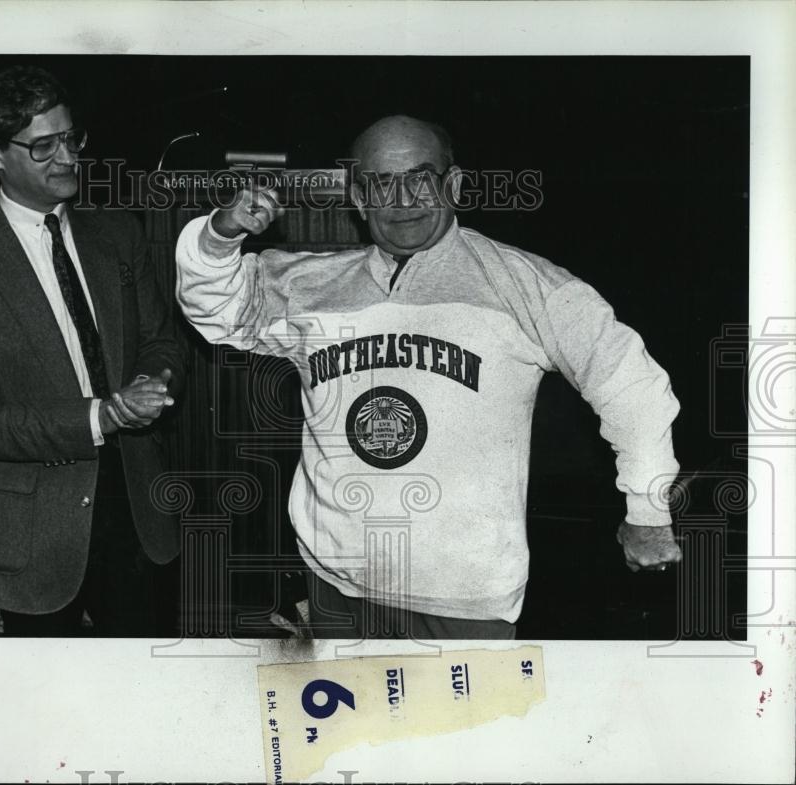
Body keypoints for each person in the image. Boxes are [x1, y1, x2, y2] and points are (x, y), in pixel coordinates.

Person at [176, 114, 682, 639]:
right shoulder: (309, 284)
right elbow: (217, 310)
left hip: (465, 599)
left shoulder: (526, 286)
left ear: (454, 185)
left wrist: (647, 508)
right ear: (357, 194)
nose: (401, 199)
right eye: (379, 183)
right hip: (336, 582)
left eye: (420, 178)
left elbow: (630, 384)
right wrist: (220, 235)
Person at [0, 65, 186, 636]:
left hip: (140, 520)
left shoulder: (119, 233)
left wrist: (154, 381)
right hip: (32, 541)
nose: (67, 157)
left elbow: (162, 340)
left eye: (72, 138)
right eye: (43, 146)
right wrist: (103, 414)